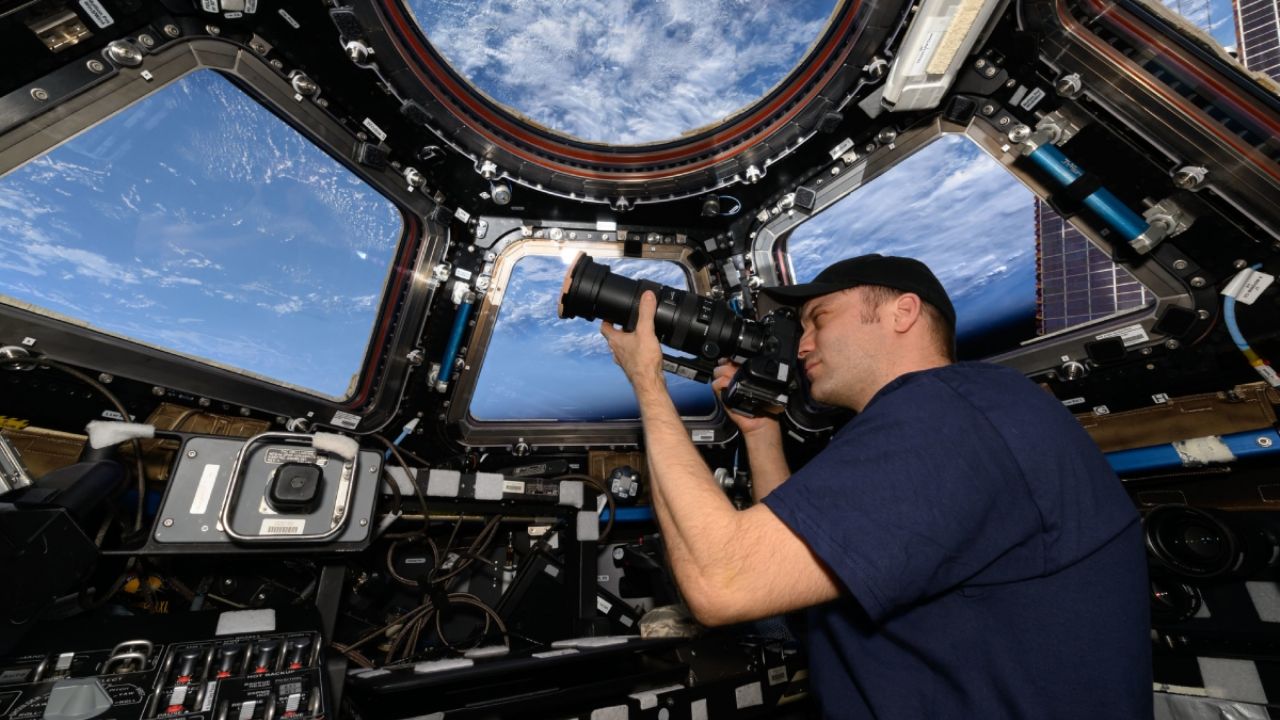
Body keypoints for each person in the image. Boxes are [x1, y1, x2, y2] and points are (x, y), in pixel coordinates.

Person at [599, 253, 1152, 719]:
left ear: (902, 312)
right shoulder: (965, 412)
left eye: (819, 318)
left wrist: (648, 383)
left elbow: (723, 582)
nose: (802, 344)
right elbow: (790, 573)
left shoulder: (945, 415)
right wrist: (763, 435)